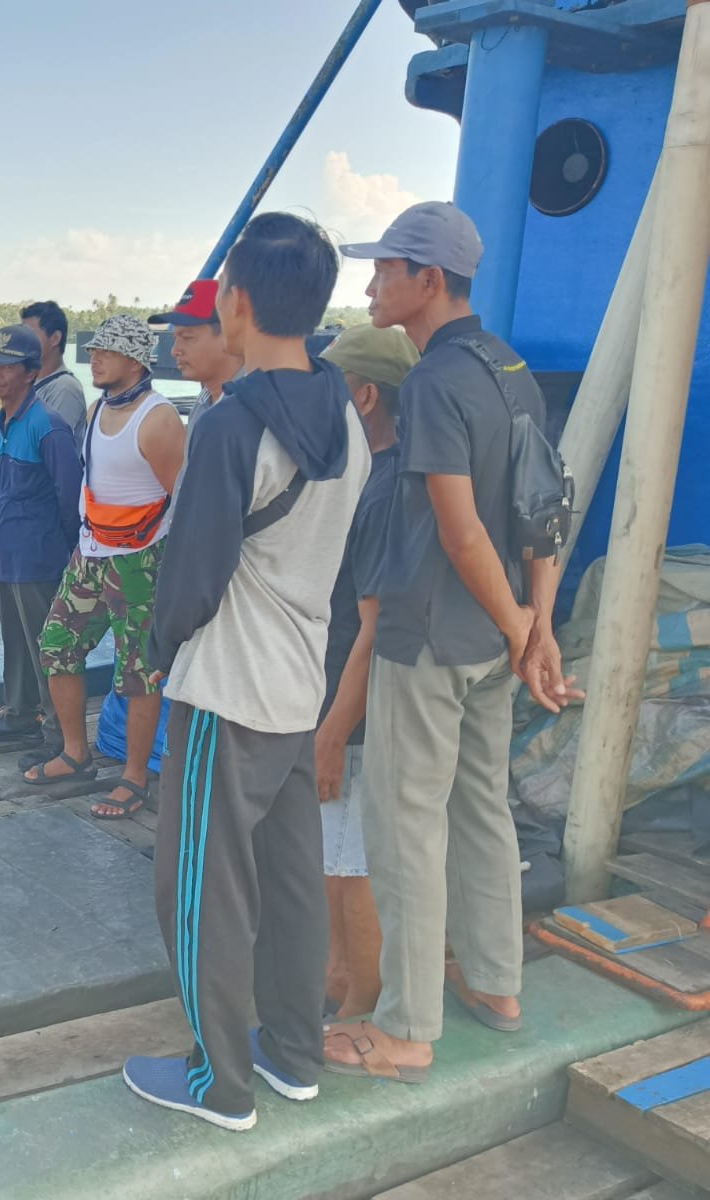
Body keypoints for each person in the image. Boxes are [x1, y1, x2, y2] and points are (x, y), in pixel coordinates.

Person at [123, 212, 370, 1132]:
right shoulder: (343, 409)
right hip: (299, 679)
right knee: (292, 881)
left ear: (235, 301)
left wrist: (154, 655)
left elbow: (190, 576)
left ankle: (217, 1082)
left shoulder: (232, 424)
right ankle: (294, 1053)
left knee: (199, 889)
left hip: (227, 687)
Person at [325, 203, 579, 1083]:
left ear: (427, 280)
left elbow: (463, 528)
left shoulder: (433, 381)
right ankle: (498, 985)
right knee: (482, 813)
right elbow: (543, 509)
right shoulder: (510, 367)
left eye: (385, 270)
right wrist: (534, 629)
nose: (369, 287)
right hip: (493, 645)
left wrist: (522, 627)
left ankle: (404, 1029)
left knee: (405, 828)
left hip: (431, 636)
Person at [28, 315, 186, 819]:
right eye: (94, 349)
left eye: (107, 351)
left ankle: (135, 778)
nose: (94, 358)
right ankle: (76, 752)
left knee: (139, 673)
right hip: (91, 553)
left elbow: (181, 501)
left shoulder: (159, 420)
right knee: (57, 644)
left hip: (141, 560)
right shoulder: (97, 409)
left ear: (136, 360)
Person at [313, 323, 418, 1020]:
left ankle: (360, 1006)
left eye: (332, 387)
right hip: (334, 691)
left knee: (353, 863)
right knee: (332, 855)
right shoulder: (367, 473)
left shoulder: (386, 490)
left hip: (356, 704)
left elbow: (376, 628)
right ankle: (333, 979)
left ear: (367, 395)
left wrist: (333, 730)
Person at [0, 324, 82, 744]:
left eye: (8, 367)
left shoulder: (47, 426)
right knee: (15, 640)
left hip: (39, 557)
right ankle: (18, 714)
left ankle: (57, 733)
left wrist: (68, 553)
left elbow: (70, 496)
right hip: (8, 553)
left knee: (46, 648)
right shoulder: (3, 422)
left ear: (31, 373)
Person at [148, 279, 244, 429]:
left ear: (228, 334)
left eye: (187, 337)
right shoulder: (202, 404)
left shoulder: (257, 410)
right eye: (175, 338)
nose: (174, 351)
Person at [20, 300, 88, 452]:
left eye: (30, 335)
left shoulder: (65, 389)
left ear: (55, 338)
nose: (24, 342)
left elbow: (53, 450)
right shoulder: (28, 385)